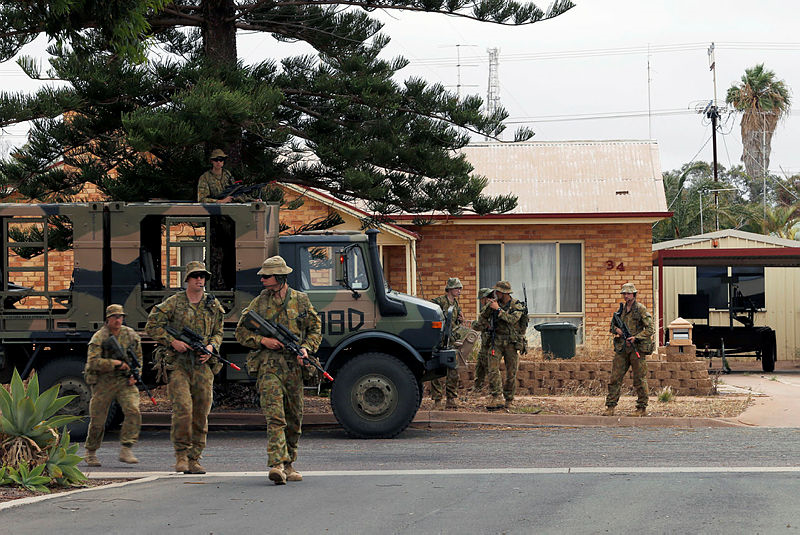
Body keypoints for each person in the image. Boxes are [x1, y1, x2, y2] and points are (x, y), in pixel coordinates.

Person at [234, 256, 322, 485]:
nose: (262, 279)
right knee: (275, 416)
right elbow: (241, 333)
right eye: (262, 276)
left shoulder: (301, 301)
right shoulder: (259, 303)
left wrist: (305, 348)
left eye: (267, 276)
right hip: (269, 367)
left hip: (294, 368)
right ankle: (276, 464)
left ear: (280, 278)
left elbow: (315, 329)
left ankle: (290, 463)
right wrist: (263, 340)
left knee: (294, 417)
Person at [145, 261, 225, 474]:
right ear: (187, 279)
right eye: (195, 276)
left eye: (202, 276)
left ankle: (194, 458)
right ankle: (181, 454)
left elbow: (218, 331)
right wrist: (172, 342)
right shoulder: (174, 303)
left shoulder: (212, 305)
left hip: (202, 365)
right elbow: (152, 326)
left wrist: (211, 346)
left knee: (201, 412)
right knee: (182, 409)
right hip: (179, 364)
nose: (200, 280)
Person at [83, 304, 142, 467]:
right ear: (108, 319)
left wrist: (135, 375)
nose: (118, 320)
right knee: (98, 420)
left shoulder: (130, 335)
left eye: (120, 317)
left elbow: (138, 358)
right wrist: (115, 363)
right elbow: (93, 362)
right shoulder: (99, 337)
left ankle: (126, 448)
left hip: (124, 381)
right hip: (103, 382)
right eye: (115, 317)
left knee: (133, 410)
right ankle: (91, 452)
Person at [604, 282, 655, 417]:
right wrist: (618, 330)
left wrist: (636, 338)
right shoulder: (620, 310)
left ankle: (641, 408)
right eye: (624, 294)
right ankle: (610, 406)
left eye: (628, 293)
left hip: (636, 348)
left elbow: (650, 329)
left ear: (634, 294)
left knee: (639, 379)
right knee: (615, 378)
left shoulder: (640, 309)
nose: (626, 296)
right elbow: (611, 326)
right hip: (622, 349)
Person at [481, 281, 526, 411]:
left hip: (511, 343)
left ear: (505, 293)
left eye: (498, 292)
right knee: (492, 368)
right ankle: (496, 396)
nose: (496, 293)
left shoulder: (516, 305)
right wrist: (488, 314)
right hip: (497, 341)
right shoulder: (494, 303)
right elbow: (482, 318)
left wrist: (498, 310)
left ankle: (509, 399)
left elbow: (512, 320)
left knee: (511, 372)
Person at [430, 277, 465, 409]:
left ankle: (451, 399)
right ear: (450, 289)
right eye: (457, 288)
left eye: (460, 288)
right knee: (436, 371)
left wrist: (461, 320)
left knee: (453, 370)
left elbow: (455, 323)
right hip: (439, 341)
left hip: (451, 341)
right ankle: (437, 400)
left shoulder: (456, 305)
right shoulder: (438, 302)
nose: (459, 291)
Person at [469, 288, 495, 396]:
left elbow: (479, 325)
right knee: (480, 365)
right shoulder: (490, 307)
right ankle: (477, 388)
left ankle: (494, 391)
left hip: (491, 342)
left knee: (490, 367)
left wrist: (470, 323)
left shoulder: (489, 308)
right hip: (486, 342)